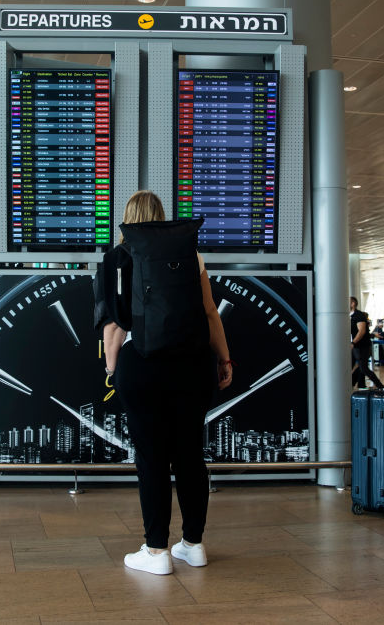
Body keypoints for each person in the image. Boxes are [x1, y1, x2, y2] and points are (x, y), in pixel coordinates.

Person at [98, 191, 232, 576]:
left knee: (152, 457)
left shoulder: (117, 258)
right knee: (190, 454)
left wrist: (111, 369)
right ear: (162, 218)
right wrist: (224, 359)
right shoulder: (190, 255)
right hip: (191, 367)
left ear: (126, 219)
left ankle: (156, 551)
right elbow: (209, 312)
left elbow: (113, 326)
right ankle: (193, 545)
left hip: (143, 368)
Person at [349, 296, 384, 389]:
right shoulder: (349, 316)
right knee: (351, 367)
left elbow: (362, 331)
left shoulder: (359, 315)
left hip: (361, 346)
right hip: (353, 346)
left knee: (363, 368)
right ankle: (351, 385)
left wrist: (353, 343)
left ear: (353, 303)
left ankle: (380, 386)